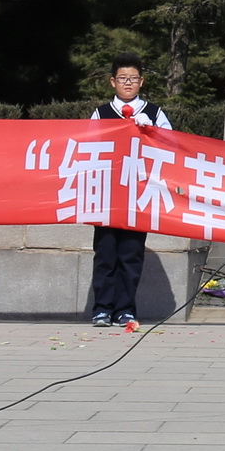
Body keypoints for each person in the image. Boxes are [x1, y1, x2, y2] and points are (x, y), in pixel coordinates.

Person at [88, 55, 173, 329]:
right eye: (123, 79)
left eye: (133, 79)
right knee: (105, 253)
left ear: (141, 82)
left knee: (131, 254)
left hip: (138, 195)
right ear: (113, 81)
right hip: (108, 196)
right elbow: (87, 149)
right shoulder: (100, 114)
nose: (128, 83)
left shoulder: (155, 113)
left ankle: (126, 310)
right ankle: (102, 309)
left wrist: (151, 132)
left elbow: (171, 147)